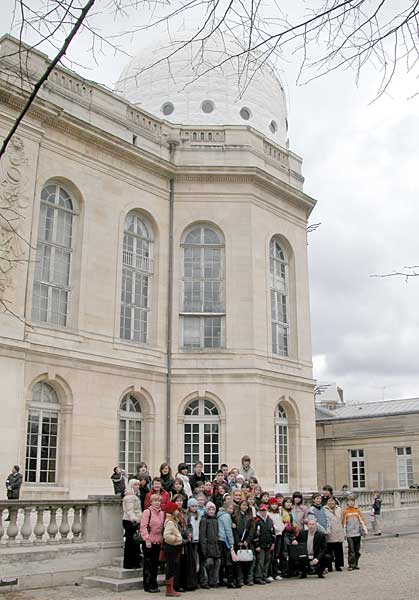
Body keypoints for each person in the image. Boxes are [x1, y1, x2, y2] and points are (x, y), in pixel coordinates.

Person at [140, 493, 165, 593]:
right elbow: (143, 527)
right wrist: (147, 539)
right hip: (148, 542)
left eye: (158, 501)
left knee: (155, 564)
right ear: (151, 502)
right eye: (155, 501)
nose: (157, 503)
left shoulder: (162, 513)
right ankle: (148, 584)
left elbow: (161, 527)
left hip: (157, 541)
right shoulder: (147, 512)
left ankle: (153, 583)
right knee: (148, 564)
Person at [342, 494, 368, 571]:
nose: (351, 503)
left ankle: (356, 563)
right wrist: (344, 534)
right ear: (347, 502)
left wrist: (364, 530)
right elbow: (344, 523)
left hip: (357, 533)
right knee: (351, 549)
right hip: (349, 534)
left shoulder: (357, 511)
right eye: (349, 501)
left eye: (352, 501)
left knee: (357, 549)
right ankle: (351, 564)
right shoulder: (345, 512)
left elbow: (362, 521)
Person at [163, 502, 183, 597]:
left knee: (172, 567)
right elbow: (166, 536)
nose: (177, 511)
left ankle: (171, 589)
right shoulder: (170, 522)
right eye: (175, 509)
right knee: (170, 568)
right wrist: (177, 539)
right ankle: (169, 590)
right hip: (171, 547)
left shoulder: (173, 520)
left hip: (173, 547)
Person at [199, 501, 221, 588]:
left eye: (213, 509)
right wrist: (204, 549)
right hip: (208, 546)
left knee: (216, 564)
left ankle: (213, 581)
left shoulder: (215, 520)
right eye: (210, 509)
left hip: (215, 546)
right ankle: (205, 582)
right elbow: (202, 535)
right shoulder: (204, 520)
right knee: (207, 564)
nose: (211, 511)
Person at [122, 479, 142, 569]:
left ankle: (134, 562)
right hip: (130, 521)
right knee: (131, 542)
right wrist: (134, 519)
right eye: (135, 485)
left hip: (133, 520)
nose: (137, 487)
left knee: (134, 542)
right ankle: (129, 563)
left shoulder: (133, 496)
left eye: (138, 485)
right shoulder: (130, 497)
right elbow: (130, 510)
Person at [217, 501, 238, 588]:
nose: (231, 510)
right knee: (229, 562)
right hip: (225, 540)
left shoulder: (219, 515)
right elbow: (228, 531)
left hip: (220, 539)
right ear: (226, 508)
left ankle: (221, 580)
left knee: (222, 562)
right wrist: (232, 542)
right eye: (230, 508)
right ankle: (230, 581)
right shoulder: (226, 516)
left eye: (232, 509)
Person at [253, 503, 275, 584]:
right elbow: (255, 533)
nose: (263, 512)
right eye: (262, 510)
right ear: (259, 511)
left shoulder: (270, 520)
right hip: (261, 545)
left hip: (268, 544)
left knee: (267, 561)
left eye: (264, 510)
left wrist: (273, 543)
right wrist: (257, 545)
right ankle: (258, 577)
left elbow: (273, 532)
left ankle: (264, 576)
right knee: (260, 561)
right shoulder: (257, 520)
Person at [324, 496, 344, 572]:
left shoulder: (339, 509)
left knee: (339, 551)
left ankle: (338, 565)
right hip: (330, 533)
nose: (331, 502)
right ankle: (329, 566)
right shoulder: (324, 509)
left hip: (338, 532)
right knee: (329, 551)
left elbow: (342, 519)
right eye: (329, 501)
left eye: (332, 501)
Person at [280, 497, 298, 578]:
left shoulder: (292, 512)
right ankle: (285, 571)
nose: (289, 504)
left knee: (292, 552)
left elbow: (294, 522)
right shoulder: (281, 511)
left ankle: (292, 570)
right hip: (285, 533)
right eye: (287, 502)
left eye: (290, 502)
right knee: (285, 552)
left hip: (292, 533)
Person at [268, 497, 283, 580]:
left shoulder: (278, 513)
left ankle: (276, 572)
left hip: (279, 535)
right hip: (272, 536)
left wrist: (281, 528)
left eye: (275, 504)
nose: (274, 506)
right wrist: (277, 529)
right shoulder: (268, 514)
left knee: (276, 555)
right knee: (271, 555)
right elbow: (272, 525)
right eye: (272, 504)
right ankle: (270, 573)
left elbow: (281, 523)